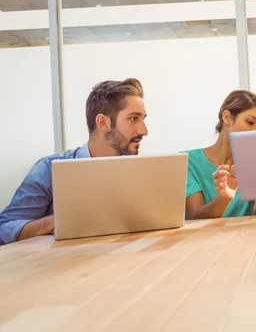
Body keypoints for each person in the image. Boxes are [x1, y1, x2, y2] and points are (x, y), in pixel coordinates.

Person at [0, 78, 148, 245]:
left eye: (143, 119)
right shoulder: (50, 168)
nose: (144, 130)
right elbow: (4, 228)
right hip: (60, 266)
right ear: (102, 122)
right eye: (134, 118)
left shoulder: (138, 174)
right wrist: (60, 221)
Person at [183, 90, 256, 219]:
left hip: (246, 237)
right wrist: (224, 198)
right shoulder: (188, 161)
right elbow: (195, 217)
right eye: (250, 122)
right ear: (227, 117)